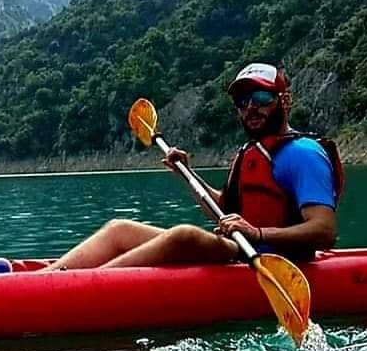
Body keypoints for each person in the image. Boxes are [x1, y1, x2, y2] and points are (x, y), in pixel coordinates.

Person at [43, 62, 340, 272]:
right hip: (239, 249)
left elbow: (323, 230)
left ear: (284, 100)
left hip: (272, 261)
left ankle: (80, 289)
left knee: (185, 235)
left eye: (261, 97)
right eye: (242, 100)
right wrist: (188, 174)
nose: (251, 107)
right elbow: (223, 210)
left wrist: (257, 234)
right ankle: (47, 280)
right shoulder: (251, 152)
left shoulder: (303, 154)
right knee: (119, 229)